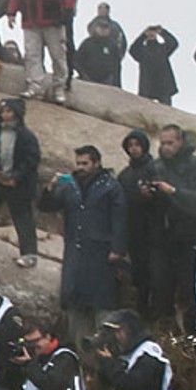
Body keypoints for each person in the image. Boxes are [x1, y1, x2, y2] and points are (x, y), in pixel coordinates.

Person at [39, 144, 127, 350]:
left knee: (101, 305)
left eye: (85, 163)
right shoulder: (70, 185)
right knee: (73, 303)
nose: (80, 167)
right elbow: (46, 207)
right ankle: (78, 353)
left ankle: (106, 354)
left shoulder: (110, 186)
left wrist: (118, 249)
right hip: (75, 252)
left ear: (97, 163)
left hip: (101, 253)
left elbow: (120, 219)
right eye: (78, 163)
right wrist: (49, 189)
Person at [149, 124, 196, 334]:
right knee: (161, 291)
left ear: (180, 142)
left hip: (188, 238)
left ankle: (195, 341)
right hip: (161, 239)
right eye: (163, 143)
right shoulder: (156, 166)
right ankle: (170, 343)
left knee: (190, 295)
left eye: (170, 142)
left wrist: (173, 192)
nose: (165, 147)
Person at [7, 0, 75, 103]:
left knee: (58, 55)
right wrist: (11, 12)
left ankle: (59, 87)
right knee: (32, 55)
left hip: (53, 21)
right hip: (30, 21)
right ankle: (35, 86)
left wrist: (67, 12)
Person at [0, 97, 41, 266]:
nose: (5, 115)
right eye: (2, 112)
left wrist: (16, 177)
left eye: (8, 111)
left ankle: (29, 254)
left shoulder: (26, 136)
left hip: (19, 184)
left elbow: (31, 159)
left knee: (22, 217)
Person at [114, 129, 162, 319]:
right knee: (139, 273)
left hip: (154, 230)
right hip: (133, 230)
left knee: (156, 273)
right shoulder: (125, 174)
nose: (134, 149)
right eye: (130, 146)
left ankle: (158, 313)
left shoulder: (154, 168)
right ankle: (142, 311)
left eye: (137, 145)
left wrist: (151, 195)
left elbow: (163, 198)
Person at [129, 24, 179, 105]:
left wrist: (162, 32)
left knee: (167, 111)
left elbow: (174, 43)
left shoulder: (163, 48)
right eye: (150, 33)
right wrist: (143, 35)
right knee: (145, 110)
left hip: (163, 85)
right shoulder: (142, 51)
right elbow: (133, 50)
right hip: (147, 85)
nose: (151, 34)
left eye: (153, 32)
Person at [75, 16, 126, 88]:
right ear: (96, 28)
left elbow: (117, 65)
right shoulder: (87, 43)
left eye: (106, 28)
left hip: (107, 81)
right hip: (88, 80)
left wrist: (117, 84)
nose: (103, 30)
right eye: (101, 27)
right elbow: (77, 60)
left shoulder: (113, 45)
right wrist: (83, 74)